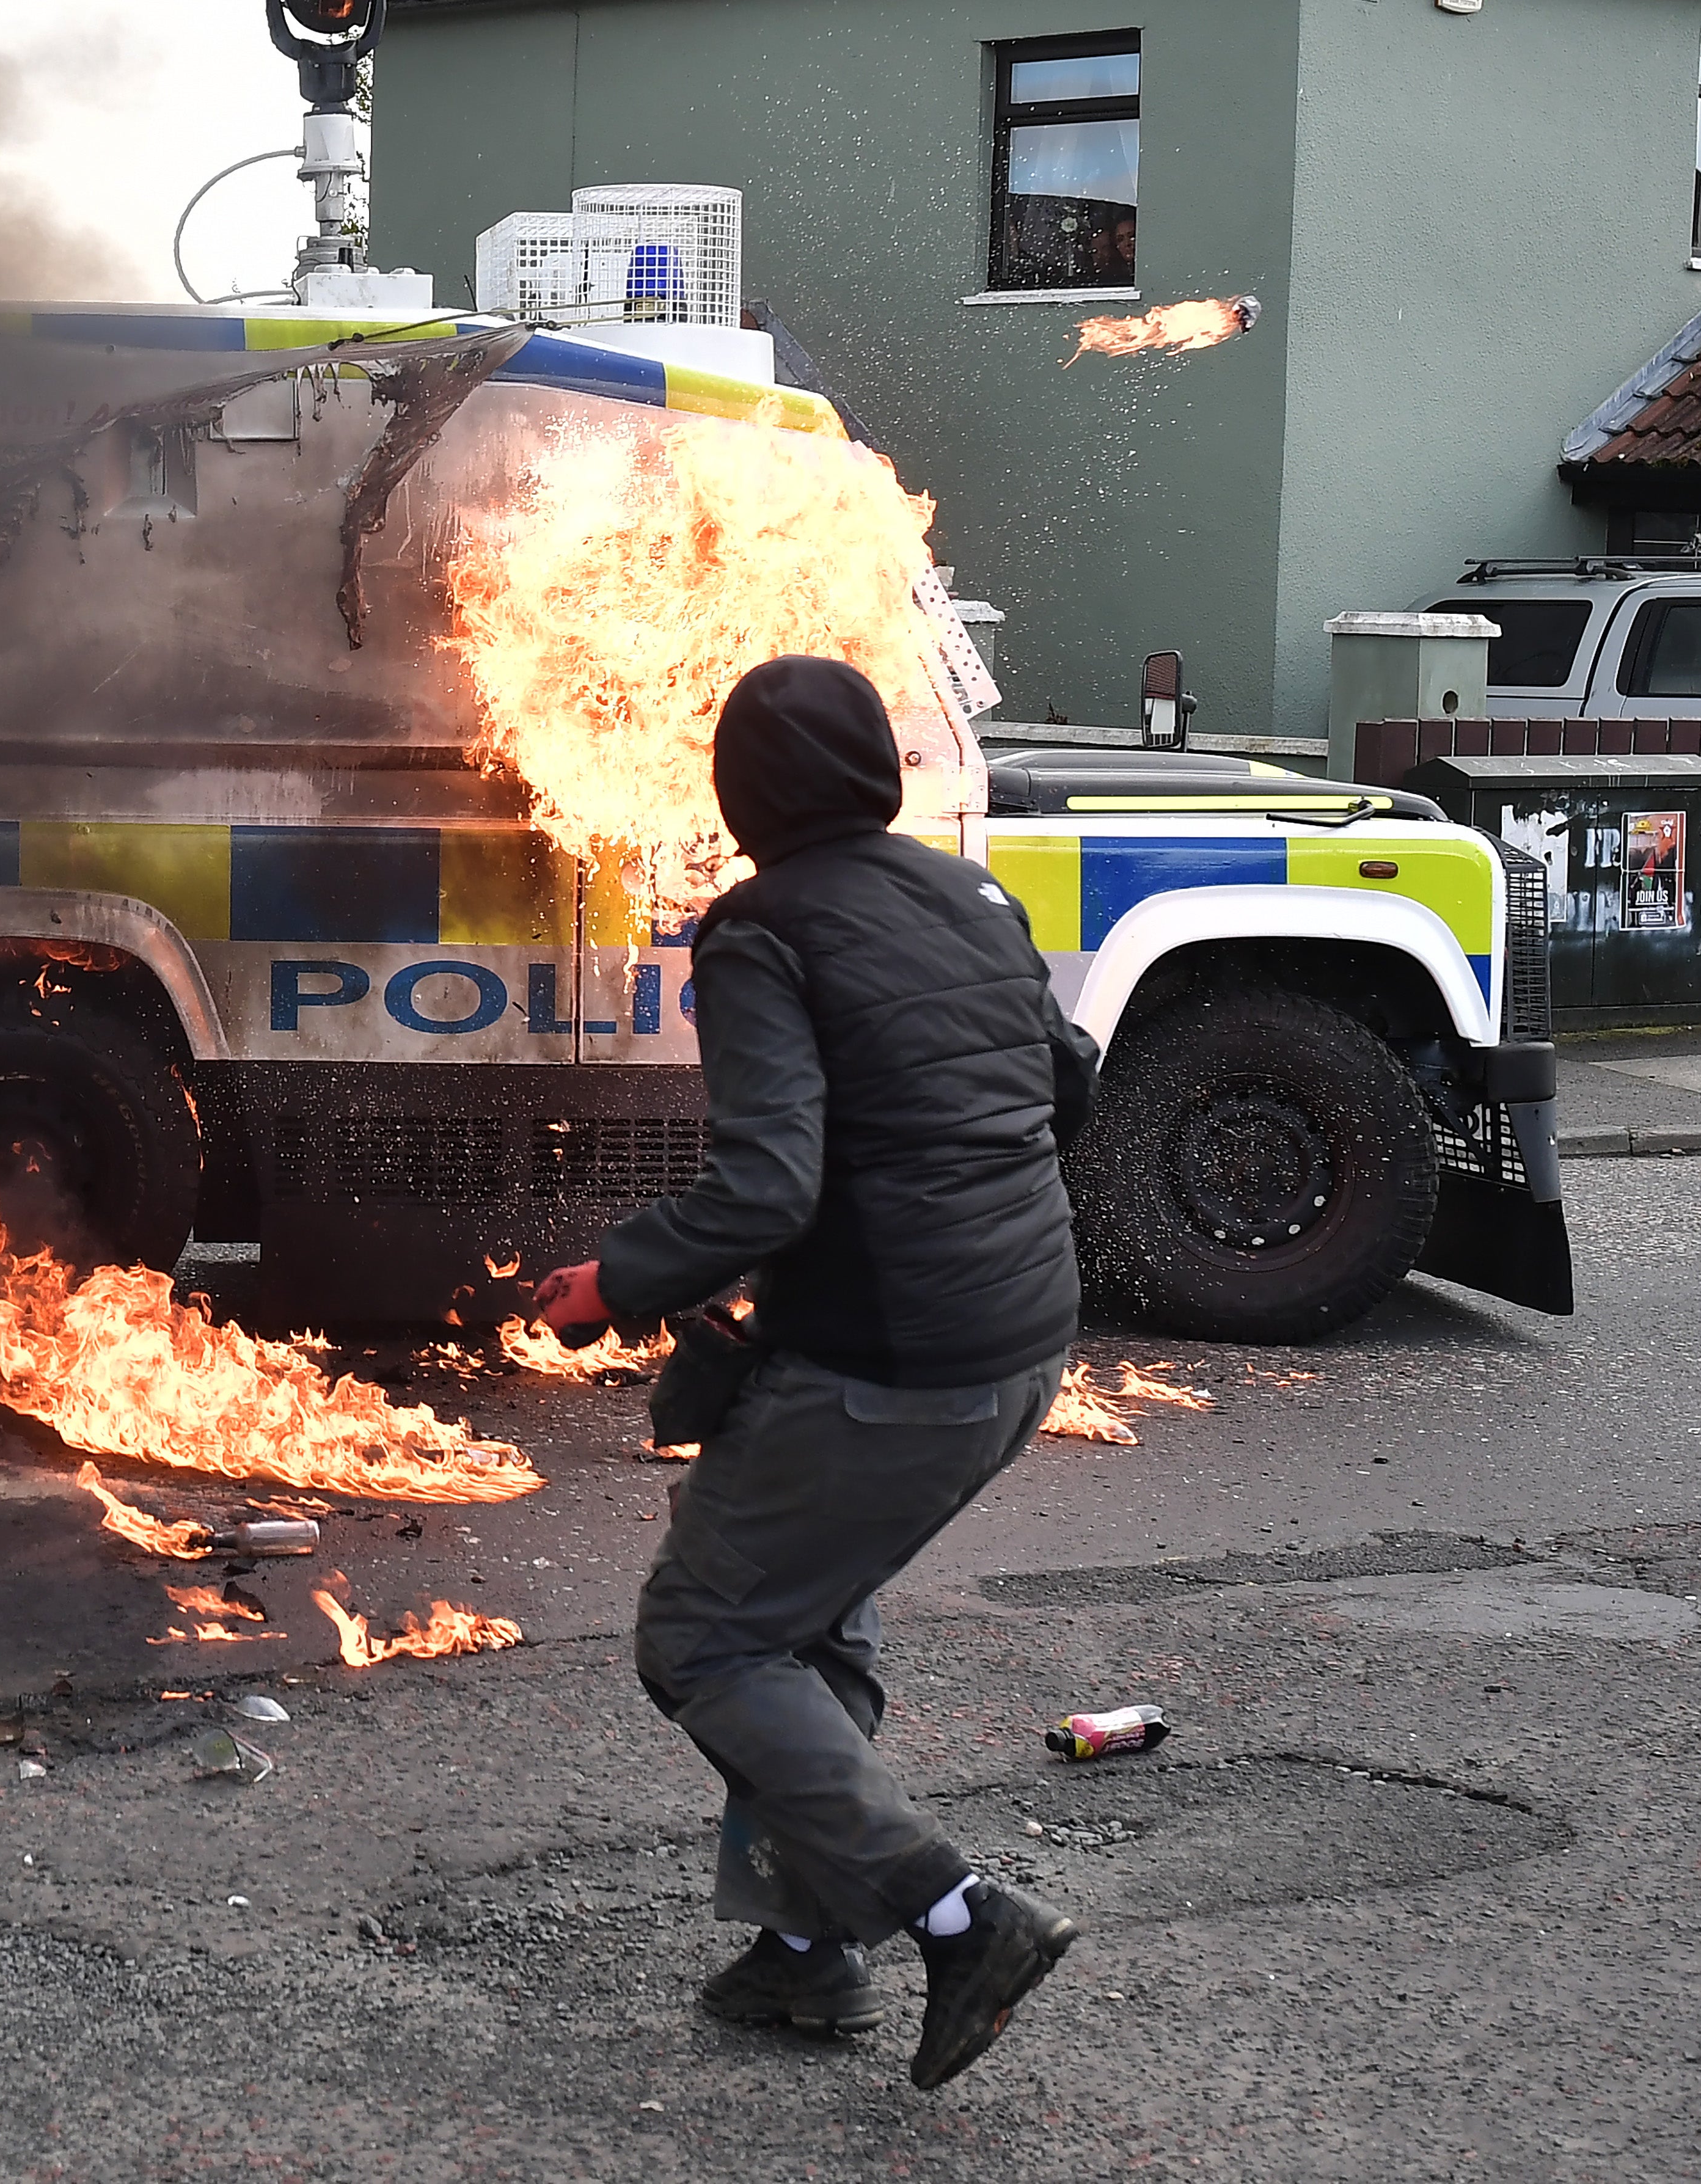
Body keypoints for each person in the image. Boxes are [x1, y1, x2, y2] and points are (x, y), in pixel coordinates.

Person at [532, 654, 1097, 2092]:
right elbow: (1068, 1081)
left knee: (707, 1639)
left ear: (740, 794)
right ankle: (803, 1952)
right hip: (1022, 1343)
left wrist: (618, 1279)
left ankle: (958, 1918)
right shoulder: (967, 896)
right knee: (811, 1615)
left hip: (893, 1367)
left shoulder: (761, 929)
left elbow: (765, 1188)